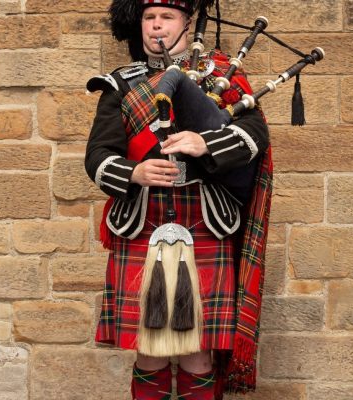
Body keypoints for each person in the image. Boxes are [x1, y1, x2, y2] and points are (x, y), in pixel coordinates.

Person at [84, 1, 272, 398]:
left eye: (166, 17)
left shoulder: (221, 76)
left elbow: (255, 137)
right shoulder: (120, 84)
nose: (156, 26)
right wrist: (134, 172)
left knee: (197, 354)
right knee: (149, 353)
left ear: (187, 23)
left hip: (205, 222)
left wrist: (206, 142)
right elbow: (98, 157)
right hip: (143, 223)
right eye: (149, 18)